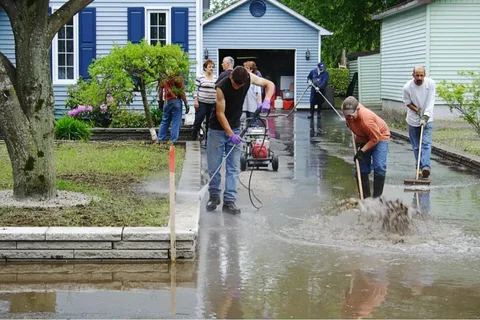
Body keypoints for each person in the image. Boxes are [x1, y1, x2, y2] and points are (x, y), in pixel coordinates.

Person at [207, 66, 275, 214]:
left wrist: (267, 100)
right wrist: (231, 134)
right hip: (217, 130)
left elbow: (269, 84)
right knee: (214, 167)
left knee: (233, 168)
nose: (237, 87)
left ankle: (229, 201)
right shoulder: (221, 87)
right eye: (235, 84)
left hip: (236, 126)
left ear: (244, 82)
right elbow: (220, 114)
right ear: (231, 77)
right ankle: (214, 196)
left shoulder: (249, 77)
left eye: (240, 85)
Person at [342, 96, 390, 198]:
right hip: (362, 137)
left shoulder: (366, 120)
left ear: (357, 110)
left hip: (380, 136)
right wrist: (350, 123)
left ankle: (377, 199)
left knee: (379, 166)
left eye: (351, 115)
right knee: (361, 167)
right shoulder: (345, 109)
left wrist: (362, 151)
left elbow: (375, 139)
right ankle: (365, 199)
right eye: (347, 115)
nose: (349, 117)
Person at [403, 66, 436, 179]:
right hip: (413, 119)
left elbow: (431, 101)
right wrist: (418, 111)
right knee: (416, 146)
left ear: (424, 75)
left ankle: (426, 167)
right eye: (417, 75)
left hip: (428, 118)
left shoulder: (430, 84)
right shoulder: (407, 87)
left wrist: (426, 115)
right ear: (413, 75)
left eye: (421, 75)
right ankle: (419, 166)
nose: (419, 77)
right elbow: (407, 102)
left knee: (426, 143)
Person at [157, 75, 189, 142]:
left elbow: (160, 90)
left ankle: (160, 139)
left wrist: (160, 102)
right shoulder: (178, 77)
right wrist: (186, 103)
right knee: (176, 122)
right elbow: (181, 92)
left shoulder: (164, 77)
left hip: (167, 101)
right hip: (176, 100)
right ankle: (173, 141)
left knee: (165, 121)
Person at [192, 59, 217, 141]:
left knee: (210, 123)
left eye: (212, 67)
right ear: (205, 68)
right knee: (198, 120)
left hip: (212, 103)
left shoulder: (216, 78)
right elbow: (195, 89)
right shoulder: (200, 77)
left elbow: (217, 90)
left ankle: (208, 140)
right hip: (202, 103)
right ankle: (194, 137)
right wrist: (195, 100)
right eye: (209, 67)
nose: (211, 68)